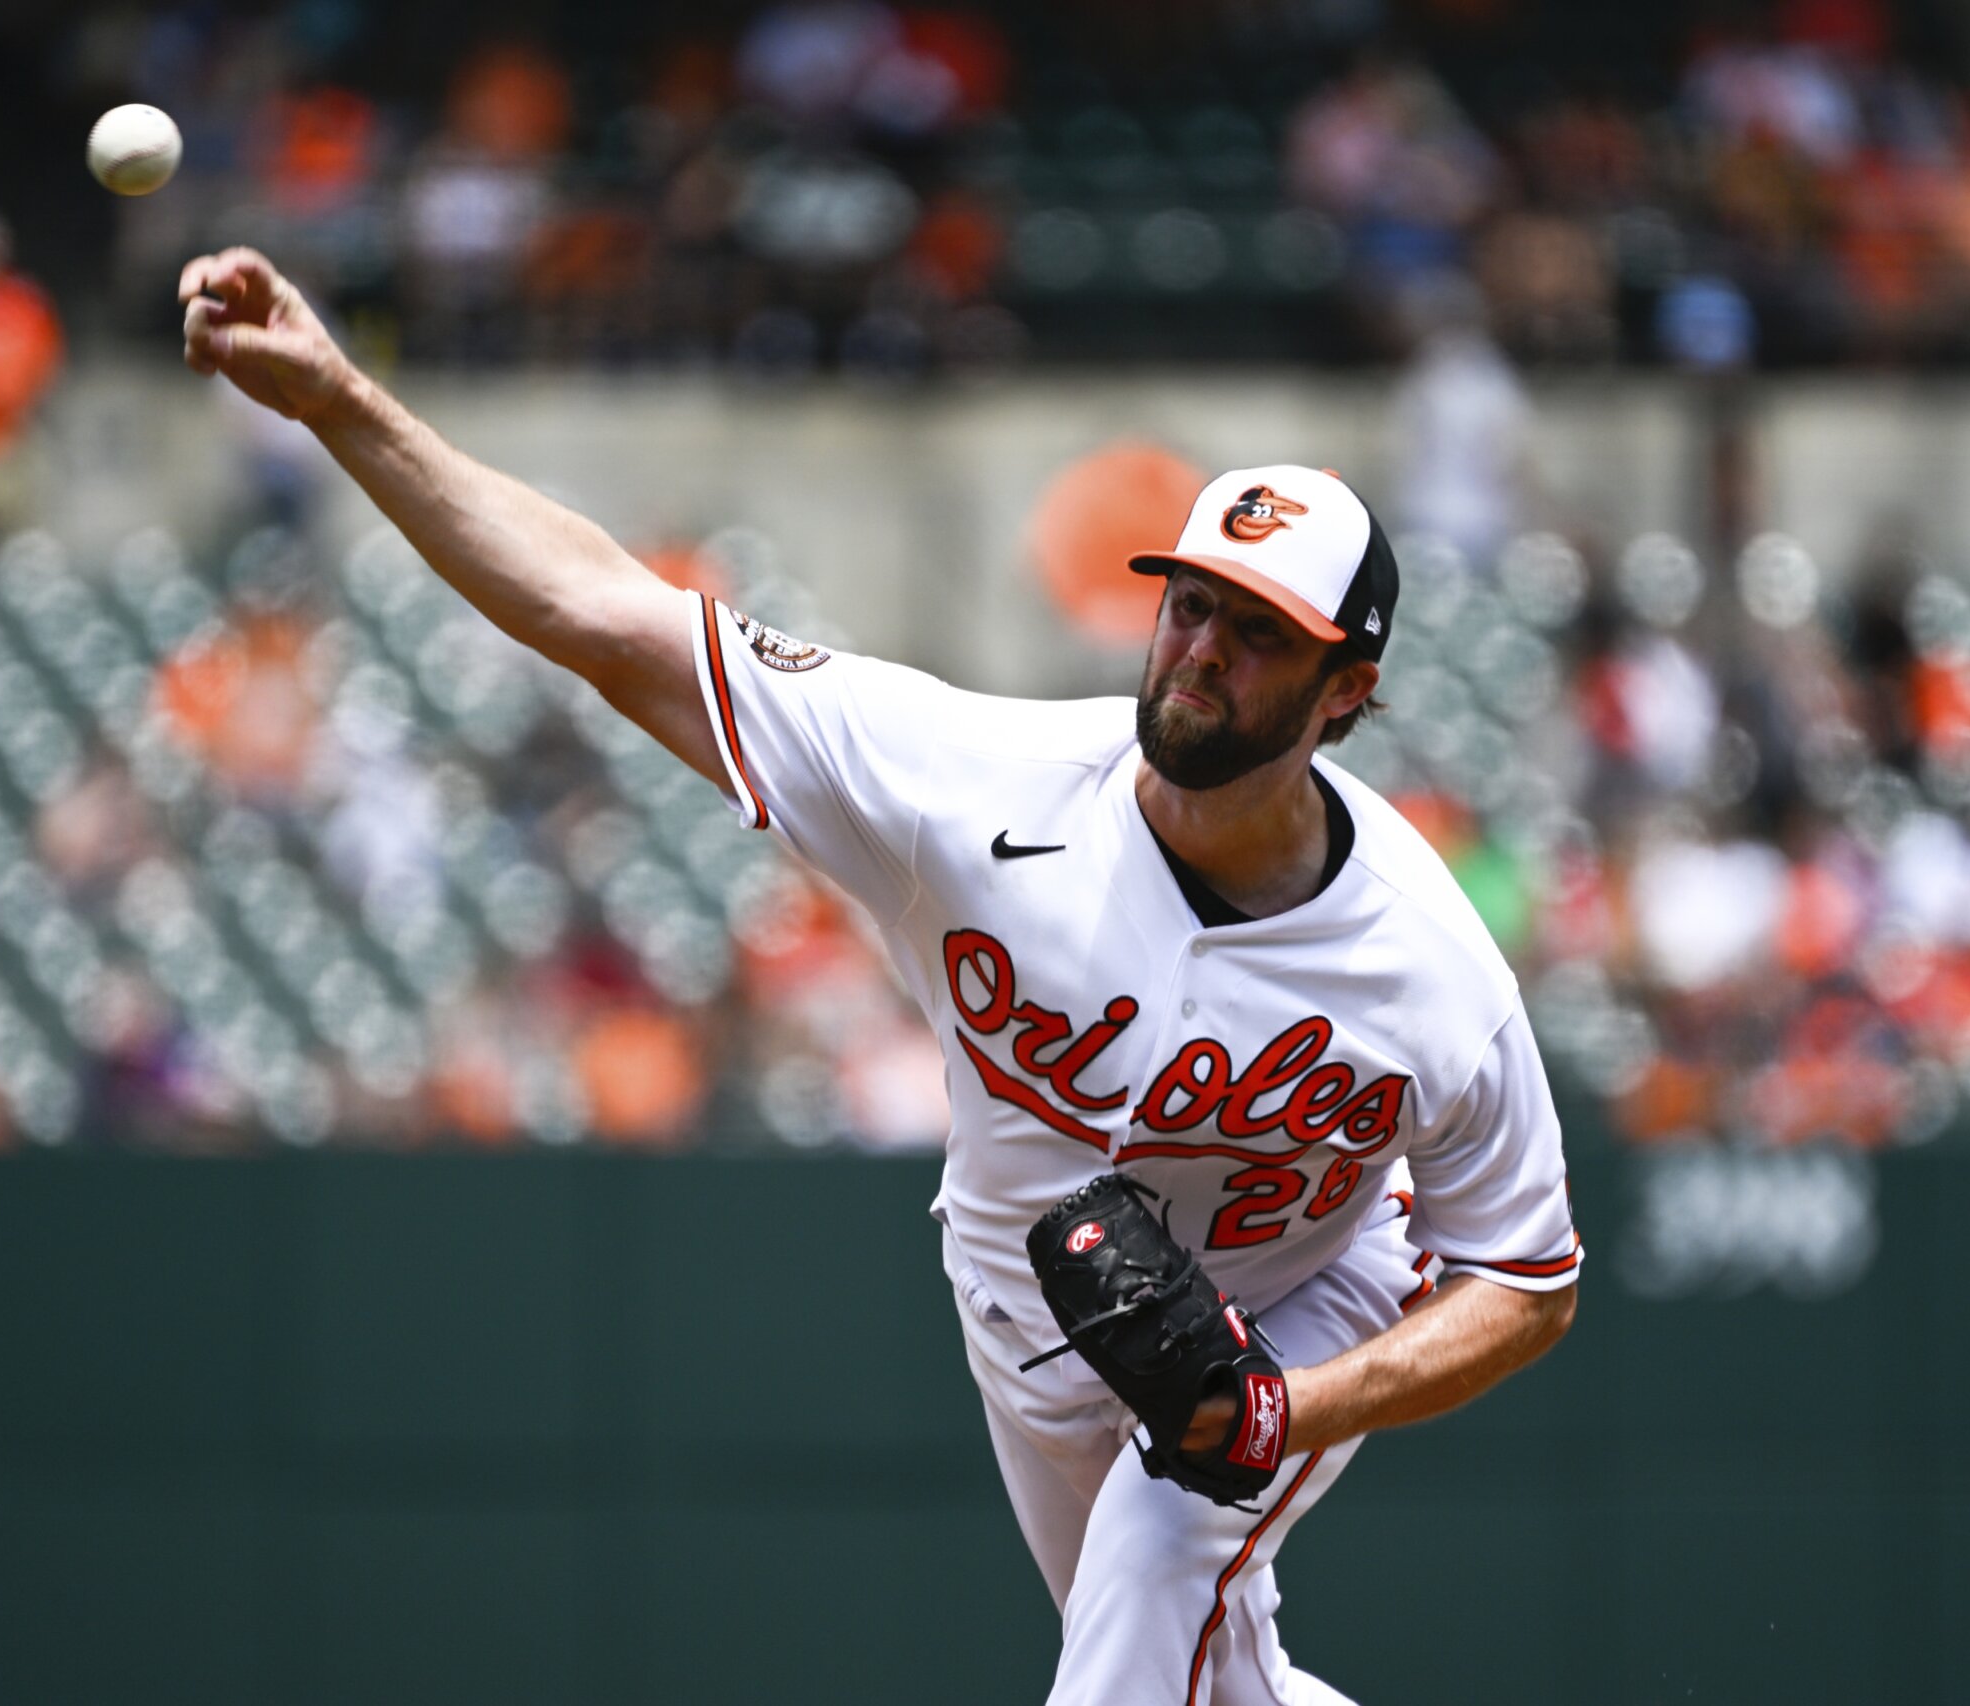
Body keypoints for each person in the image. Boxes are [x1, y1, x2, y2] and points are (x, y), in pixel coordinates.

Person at [179, 246, 1581, 1705]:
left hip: (1308, 1292)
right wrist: (343, 400)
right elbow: (599, 610)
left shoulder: (1426, 963)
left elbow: (1530, 1281)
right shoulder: (972, 786)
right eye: (1192, 604)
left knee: (1167, 1541)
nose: (1202, 651)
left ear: (1346, 687)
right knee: (1217, 1680)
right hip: (1025, 1309)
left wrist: (1286, 1405)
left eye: (1259, 632)